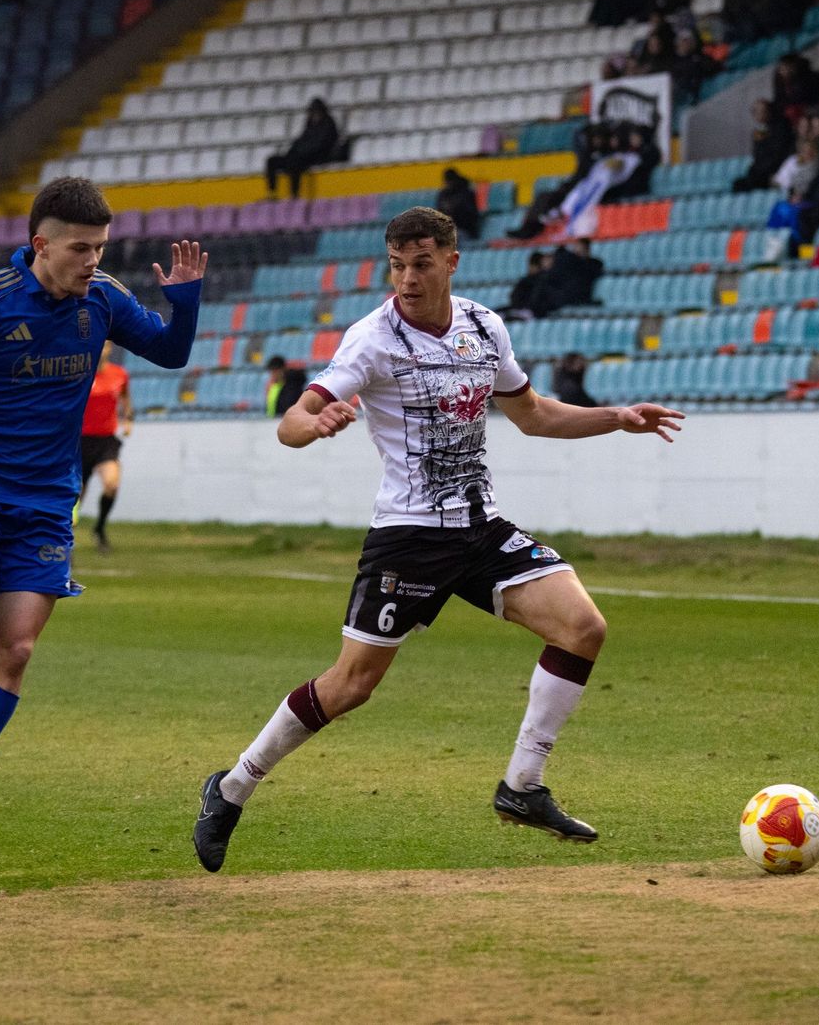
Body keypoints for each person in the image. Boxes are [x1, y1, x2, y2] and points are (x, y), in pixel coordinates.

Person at [191, 207, 684, 872]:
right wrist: (316, 423)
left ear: (452, 261)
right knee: (351, 686)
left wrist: (616, 418)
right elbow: (291, 421)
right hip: (409, 537)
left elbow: (533, 415)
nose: (408, 278)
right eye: (397, 265)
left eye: (421, 263)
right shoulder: (372, 339)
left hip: (480, 527)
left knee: (583, 627)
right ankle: (232, 786)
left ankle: (521, 786)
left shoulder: (484, 327)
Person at [0, 176, 206, 852]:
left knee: (18, 649)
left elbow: (172, 352)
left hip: (48, 503)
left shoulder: (106, 300)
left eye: (102, 247)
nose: (95, 261)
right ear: (41, 245)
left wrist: (185, 298)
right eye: (83, 248)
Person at [79, 340, 133, 553]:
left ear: (110, 349)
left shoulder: (119, 374)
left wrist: (128, 419)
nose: (102, 349)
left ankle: (99, 528)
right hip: (80, 441)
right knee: (76, 495)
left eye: (106, 345)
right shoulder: (81, 373)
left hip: (106, 440)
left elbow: (126, 398)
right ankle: (65, 542)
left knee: (111, 483)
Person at [265, 97, 340, 199]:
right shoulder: (310, 125)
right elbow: (301, 140)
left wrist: (301, 152)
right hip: (302, 155)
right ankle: (272, 193)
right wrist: (293, 152)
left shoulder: (328, 124)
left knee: (296, 162)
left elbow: (322, 144)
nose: (314, 115)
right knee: (272, 161)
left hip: (318, 156)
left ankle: (294, 194)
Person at [435, 167, 480, 239]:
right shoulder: (444, 194)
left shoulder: (465, 193)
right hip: (449, 230)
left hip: (465, 229)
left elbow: (470, 214)